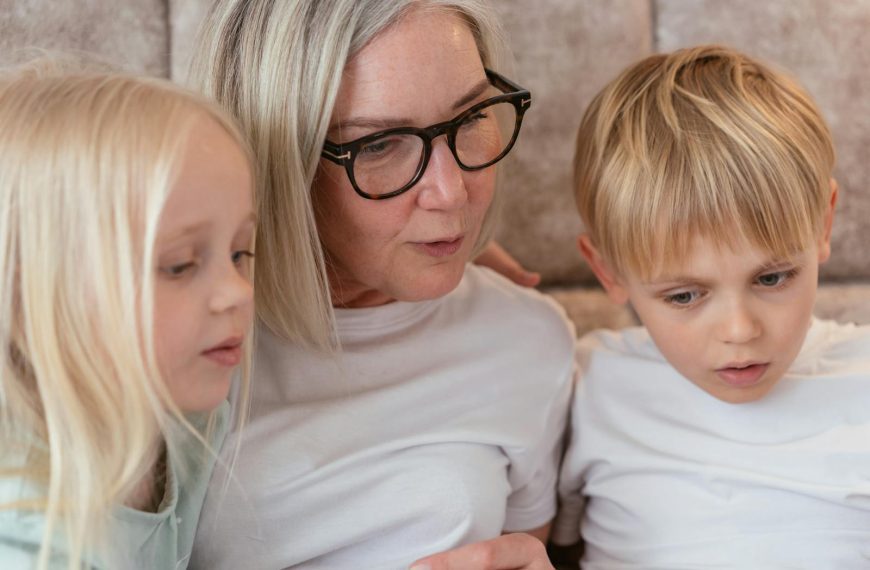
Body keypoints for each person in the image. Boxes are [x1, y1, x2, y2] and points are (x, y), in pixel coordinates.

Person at [188, 1, 576, 569]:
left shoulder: (527, 339)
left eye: (469, 119)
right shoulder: (189, 343)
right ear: (278, 161)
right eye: (377, 145)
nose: (451, 192)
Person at [550, 45, 870, 567]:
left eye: (772, 277)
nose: (739, 331)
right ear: (608, 271)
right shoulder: (589, 385)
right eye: (683, 296)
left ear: (823, 227)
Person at [0, 62, 257, 569]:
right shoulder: (28, 532)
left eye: (241, 252)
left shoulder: (189, 422)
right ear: (35, 294)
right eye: (180, 265)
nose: (237, 293)